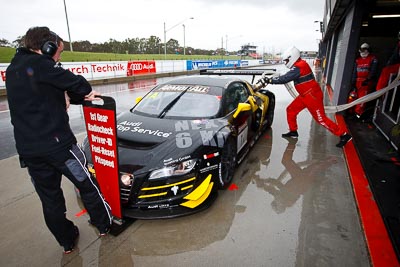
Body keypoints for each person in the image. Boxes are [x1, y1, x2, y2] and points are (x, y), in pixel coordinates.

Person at [5, 26, 113, 254]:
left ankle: (66, 241)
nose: (59, 57)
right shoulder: (43, 65)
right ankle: (104, 224)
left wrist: (65, 92)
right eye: (59, 53)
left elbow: (46, 93)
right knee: (87, 184)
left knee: (50, 200)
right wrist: (61, 74)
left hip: (29, 151)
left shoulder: (14, 67)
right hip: (59, 147)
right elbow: (82, 86)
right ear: (48, 47)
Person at [260, 46, 352, 148]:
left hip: (312, 96)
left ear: (292, 57)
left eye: (286, 60)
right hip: (305, 95)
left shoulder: (300, 66)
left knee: (321, 119)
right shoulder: (299, 65)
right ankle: (293, 131)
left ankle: (344, 135)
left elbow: (285, 78)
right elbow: (287, 76)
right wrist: (274, 78)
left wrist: (270, 81)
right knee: (290, 110)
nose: (286, 62)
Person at [351, 43, 378, 118]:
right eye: (361, 50)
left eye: (364, 50)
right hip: (358, 82)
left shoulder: (373, 59)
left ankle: (358, 114)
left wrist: (368, 79)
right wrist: (353, 82)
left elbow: (373, 71)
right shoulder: (358, 60)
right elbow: (355, 72)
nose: (362, 52)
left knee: (362, 99)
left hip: (366, 83)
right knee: (354, 97)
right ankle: (354, 112)